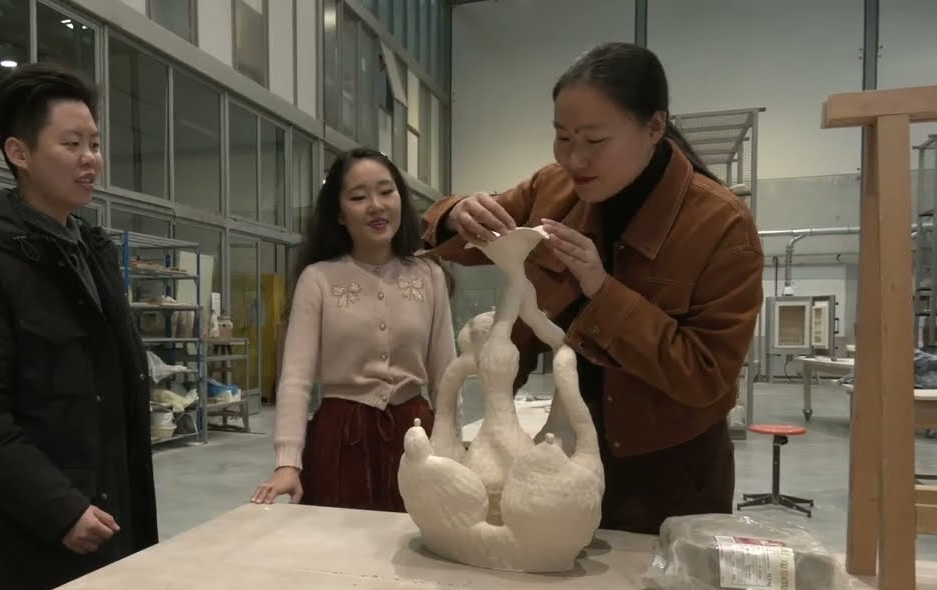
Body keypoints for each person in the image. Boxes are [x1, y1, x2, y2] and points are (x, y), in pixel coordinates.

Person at [421, 42, 763, 535]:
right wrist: (453, 213)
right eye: (562, 137)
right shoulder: (553, 189)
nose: (574, 158)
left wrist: (604, 292)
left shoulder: (721, 227)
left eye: (594, 140)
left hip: (665, 474)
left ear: (654, 127)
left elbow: (706, 374)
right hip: (560, 457)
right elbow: (472, 233)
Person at [0, 63, 158, 590]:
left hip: (108, 515)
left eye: (95, 145)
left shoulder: (92, 252)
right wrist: (59, 508)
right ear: (19, 153)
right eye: (72, 144)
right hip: (27, 534)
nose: (90, 159)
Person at [251, 148, 458, 511]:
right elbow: (295, 379)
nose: (376, 205)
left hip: (416, 437)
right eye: (359, 197)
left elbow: (445, 373)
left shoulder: (429, 275)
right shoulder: (318, 279)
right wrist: (287, 463)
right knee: (338, 549)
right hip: (340, 436)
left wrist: (452, 443)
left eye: (386, 191)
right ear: (340, 214)